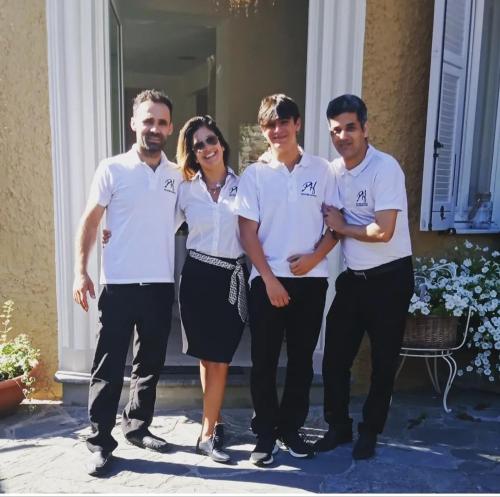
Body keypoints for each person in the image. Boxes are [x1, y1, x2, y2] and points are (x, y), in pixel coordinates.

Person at [72, 89, 182, 476]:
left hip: (158, 284)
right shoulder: (112, 168)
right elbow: (90, 221)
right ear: (134, 123)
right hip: (117, 284)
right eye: (147, 120)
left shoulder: (176, 175)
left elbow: (186, 217)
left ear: (170, 127)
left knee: (150, 362)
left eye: (161, 122)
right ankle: (101, 441)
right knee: (109, 363)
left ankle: (137, 427)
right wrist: (80, 271)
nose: (154, 128)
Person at [235, 94, 341, 466]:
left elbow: (336, 225)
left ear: (297, 124)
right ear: (263, 131)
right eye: (269, 125)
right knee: (263, 361)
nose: (277, 130)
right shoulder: (255, 175)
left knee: (301, 361)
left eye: (283, 122)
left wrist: (314, 258)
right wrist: (269, 279)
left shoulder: (323, 170)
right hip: (267, 282)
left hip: (311, 282)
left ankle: (291, 430)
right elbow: (248, 233)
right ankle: (265, 434)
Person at [317, 94, 414, 460]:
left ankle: (369, 431)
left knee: (383, 362)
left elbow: (385, 230)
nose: (343, 136)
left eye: (350, 128)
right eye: (336, 130)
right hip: (353, 279)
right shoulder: (333, 171)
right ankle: (338, 426)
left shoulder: (384, 168)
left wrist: (344, 225)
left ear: (365, 128)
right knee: (334, 359)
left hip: (390, 280)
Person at [175, 115, 248, 463]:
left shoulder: (246, 185)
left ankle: (208, 430)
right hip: (197, 279)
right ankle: (211, 428)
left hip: (231, 277)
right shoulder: (186, 190)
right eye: (198, 145)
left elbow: (262, 229)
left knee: (221, 359)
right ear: (192, 154)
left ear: (221, 141)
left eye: (210, 139)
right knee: (208, 358)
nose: (207, 148)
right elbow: (159, 223)